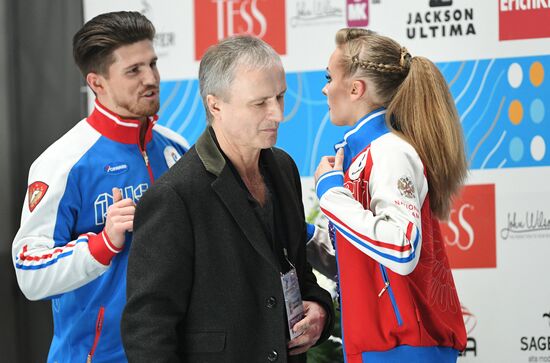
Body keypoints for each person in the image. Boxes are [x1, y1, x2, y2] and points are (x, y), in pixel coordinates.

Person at [121, 35, 334, 362]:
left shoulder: (283, 167)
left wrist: (319, 307)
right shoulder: (174, 196)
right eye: (260, 102)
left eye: (280, 97)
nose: (277, 114)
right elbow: (148, 328)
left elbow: (296, 270)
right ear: (215, 104)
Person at [11, 11, 188, 363]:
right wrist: (103, 244)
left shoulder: (176, 148)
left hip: (170, 352)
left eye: (152, 64)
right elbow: (29, 272)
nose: (151, 78)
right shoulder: (63, 163)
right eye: (133, 70)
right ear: (97, 83)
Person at [314, 28, 468, 362]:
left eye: (329, 77)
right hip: (377, 347)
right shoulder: (362, 153)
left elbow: (400, 246)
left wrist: (330, 193)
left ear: (356, 89)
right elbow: (367, 260)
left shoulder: (390, 151)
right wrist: (308, 238)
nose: (325, 88)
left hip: (403, 350)